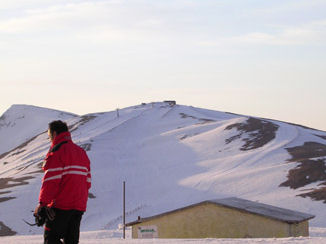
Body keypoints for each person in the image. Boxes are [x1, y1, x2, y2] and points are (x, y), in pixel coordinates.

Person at [34, 120, 91, 244]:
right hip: (79, 207)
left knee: (51, 239)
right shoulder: (82, 153)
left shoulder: (57, 152)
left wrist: (42, 204)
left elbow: (51, 181)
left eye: (49, 135)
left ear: (54, 133)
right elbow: (88, 182)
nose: (49, 139)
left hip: (61, 206)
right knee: (71, 241)